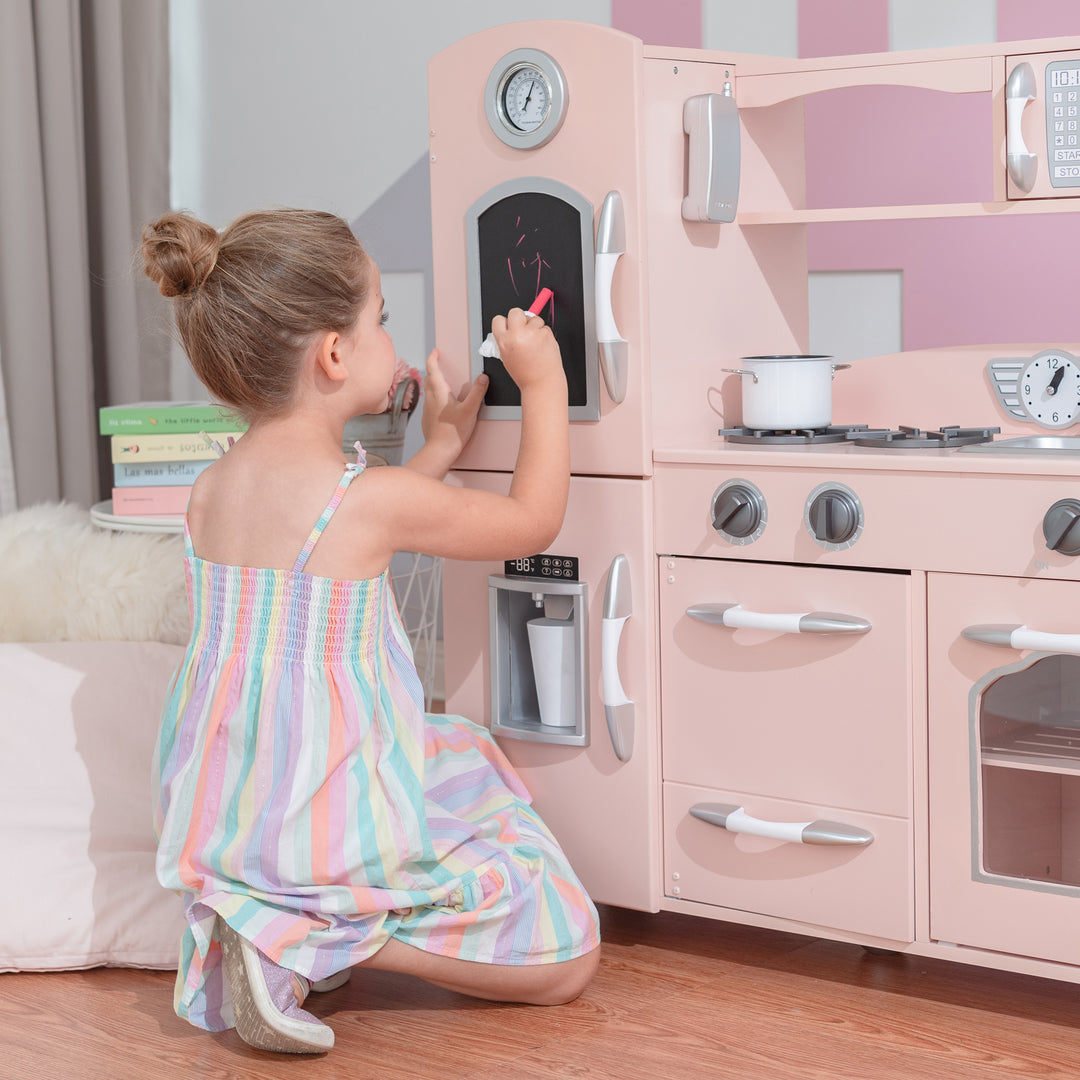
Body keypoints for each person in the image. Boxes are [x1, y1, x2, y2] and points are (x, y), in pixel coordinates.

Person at [142, 208, 600, 1055]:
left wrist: (440, 447)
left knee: (456, 762)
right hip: (329, 817)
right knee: (568, 957)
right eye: (381, 317)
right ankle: (321, 936)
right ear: (334, 354)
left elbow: (343, 537)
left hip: (236, 814)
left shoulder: (212, 492)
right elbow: (530, 521)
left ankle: (272, 923)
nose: (391, 336)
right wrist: (545, 384)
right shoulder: (367, 503)